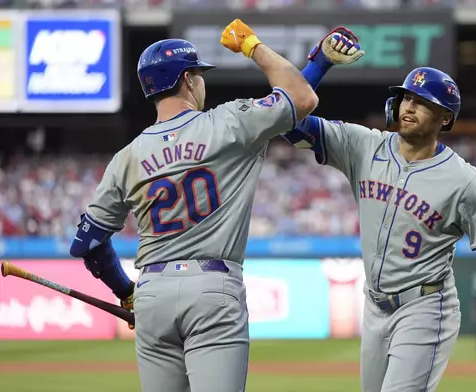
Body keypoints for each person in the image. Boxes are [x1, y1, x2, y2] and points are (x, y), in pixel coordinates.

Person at [282, 29, 476, 391]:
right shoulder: (363, 145)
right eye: (405, 98)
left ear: (445, 118)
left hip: (425, 307)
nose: (409, 107)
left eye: (422, 102)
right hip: (374, 305)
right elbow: (287, 123)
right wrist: (319, 63)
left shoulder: (464, 180)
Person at [68, 19, 321, 392]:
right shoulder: (229, 123)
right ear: (188, 79)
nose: (203, 81)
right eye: (199, 75)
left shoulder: (126, 157)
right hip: (212, 287)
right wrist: (254, 46)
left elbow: (87, 244)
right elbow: (302, 97)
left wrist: (126, 290)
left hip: (153, 292)